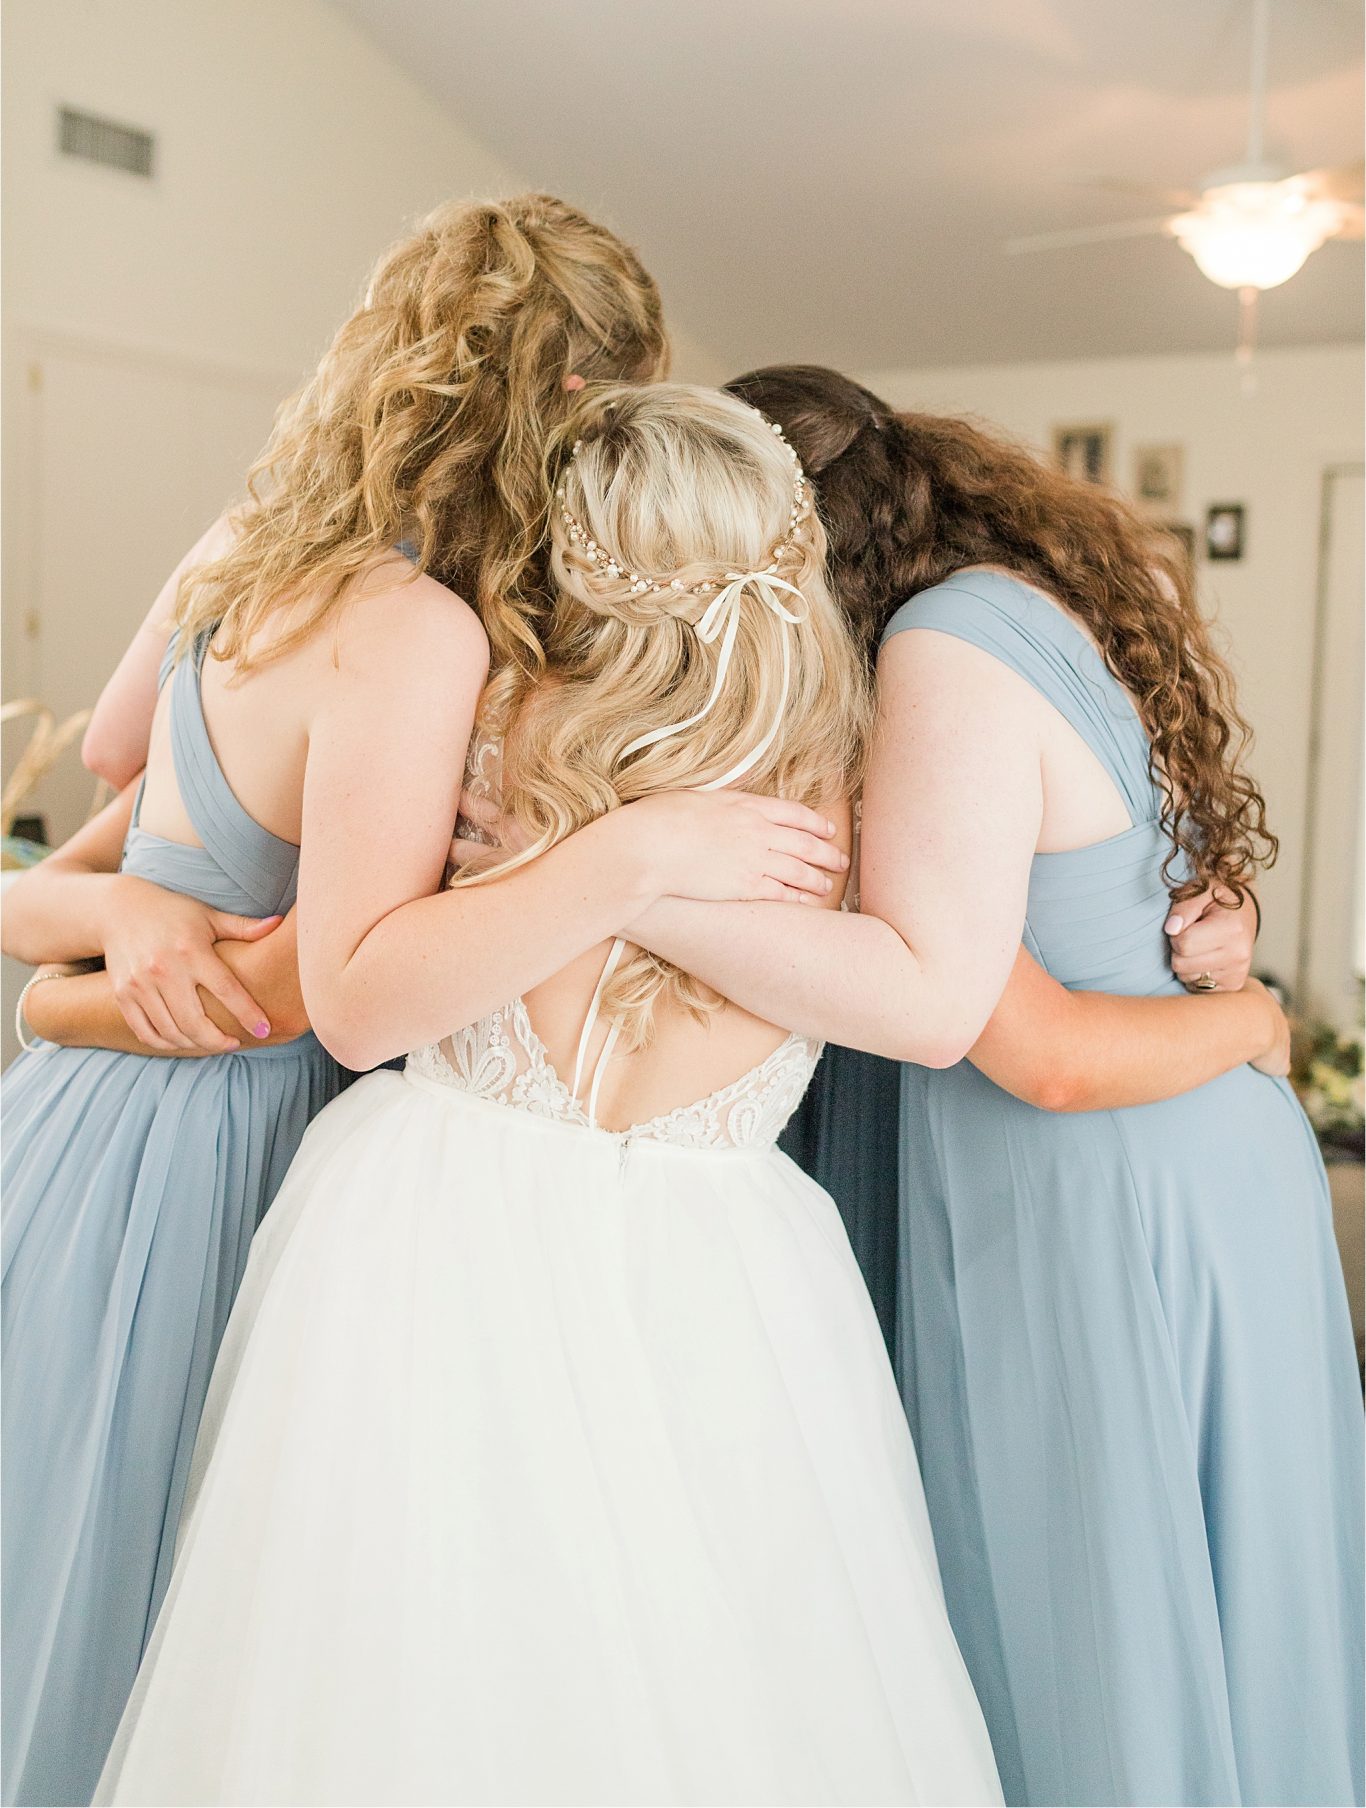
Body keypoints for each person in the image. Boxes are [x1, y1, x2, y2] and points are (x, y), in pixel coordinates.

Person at [95, 383, 1002, 1807]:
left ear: (570, 545)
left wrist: (608, 867)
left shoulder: (770, 746)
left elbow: (922, 1009)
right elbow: (361, 999)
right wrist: (629, 863)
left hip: (502, 1232)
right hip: (566, 1253)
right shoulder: (822, 749)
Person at [0, 191, 692, 1808]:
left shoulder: (244, 551)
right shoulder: (417, 634)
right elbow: (327, 991)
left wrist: (87, 941)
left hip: (68, 1132)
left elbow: (114, 763)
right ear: (575, 408)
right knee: (165, 1597)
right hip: (219, 1149)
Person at [632, 364, 1363, 1808]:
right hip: (1171, 1158)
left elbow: (1018, 1038)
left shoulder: (940, 653)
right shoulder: (1009, 607)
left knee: (1089, 1636)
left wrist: (616, 889)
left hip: (1103, 1174)